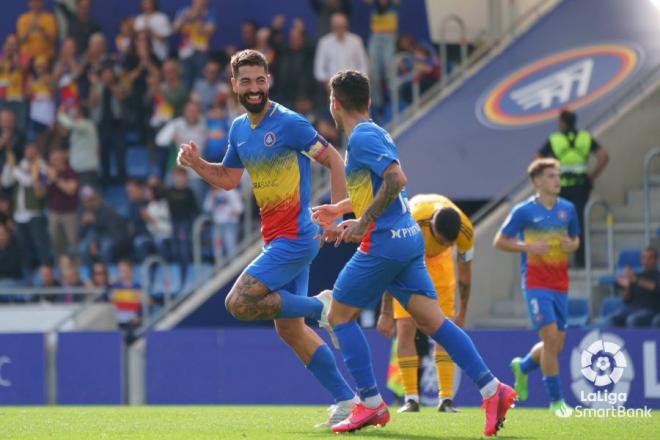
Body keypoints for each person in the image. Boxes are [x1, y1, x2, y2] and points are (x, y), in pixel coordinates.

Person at [310, 70, 515, 436]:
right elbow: (375, 188)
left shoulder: (361, 136)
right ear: (368, 101)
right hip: (406, 238)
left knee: (338, 315)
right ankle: (492, 388)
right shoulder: (374, 132)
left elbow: (396, 181)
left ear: (335, 103)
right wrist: (343, 211)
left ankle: (371, 404)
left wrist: (361, 223)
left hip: (386, 241)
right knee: (433, 321)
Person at [177, 49, 357, 427]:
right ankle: (347, 401)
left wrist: (334, 213)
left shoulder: (289, 123)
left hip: (296, 238)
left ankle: (321, 307)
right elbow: (228, 179)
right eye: (246, 81)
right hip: (275, 239)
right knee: (289, 328)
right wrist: (196, 165)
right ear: (234, 85)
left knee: (239, 302)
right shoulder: (239, 129)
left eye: (260, 80)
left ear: (268, 81)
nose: (254, 87)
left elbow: (334, 160)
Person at [493, 158, 579, 417]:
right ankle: (556, 402)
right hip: (535, 282)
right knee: (551, 340)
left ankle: (523, 366)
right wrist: (527, 247)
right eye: (551, 176)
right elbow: (499, 241)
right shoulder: (523, 211)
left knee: (556, 346)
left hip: (560, 283)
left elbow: (575, 240)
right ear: (537, 181)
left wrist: (571, 245)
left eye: (558, 175)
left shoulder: (568, 209)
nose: (557, 180)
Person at [375, 194, 473, 413]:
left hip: (441, 269)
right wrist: (386, 311)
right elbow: (391, 266)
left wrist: (463, 311)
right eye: (441, 241)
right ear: (430, 227)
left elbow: (465, 275)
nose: (445, 245)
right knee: (406, 327)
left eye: (450, 243)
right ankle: (410, 398)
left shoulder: (465, 231)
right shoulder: (409, 221)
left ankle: (446, 399)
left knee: (445, 328)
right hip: (410, 262)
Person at [537, 110, 609, 267]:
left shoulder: (555, 139)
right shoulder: (584, 137)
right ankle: (580, 260)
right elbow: (603, 156)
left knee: (558, 222)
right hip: (581, 186)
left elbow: (537, 158)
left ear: (562, 122)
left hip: (561, 187)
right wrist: (592, 176)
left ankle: (559, 260)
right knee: (578, 223)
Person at [314, 13, 368, 92]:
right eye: (337, 27)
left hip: (353, 85)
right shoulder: (324, 42)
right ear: (332, 27)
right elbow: (319, 69)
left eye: (342, 26)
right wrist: (327, 83)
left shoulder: (356, 41)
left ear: (346, 26)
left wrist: (358, 81)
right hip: (332, 85)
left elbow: (364, 65)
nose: (340, 29)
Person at [608, 247, 660, 328]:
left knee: (632, 320)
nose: (645, 261)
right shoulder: (636, 276)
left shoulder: (656, 276)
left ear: (657, 260)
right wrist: (627, 287)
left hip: (652, 310)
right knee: (612, 318)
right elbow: (627, 299)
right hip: (633, 308)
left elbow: (655, 287)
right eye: (643, 258)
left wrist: (636, 280)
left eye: (649, 258)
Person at [364, 0, 399, 116]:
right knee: (374, 73)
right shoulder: (373, 4)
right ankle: (378, 106)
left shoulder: (393, 5)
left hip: (389, 35)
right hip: (376, 35)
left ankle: (395, 103)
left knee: (390, 71)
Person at [45, 148, 79, 261]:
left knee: (74, 242)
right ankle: (62, 268)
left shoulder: (71, 172)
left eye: (58, 159)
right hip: (53, 213)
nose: (55, 162)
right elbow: (39, 191)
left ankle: (76, 267)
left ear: (63, 159)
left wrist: (56, 179)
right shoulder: (47, 173)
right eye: (53, 160)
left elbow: (71, 190)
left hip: (70, 214)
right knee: (56, 243)